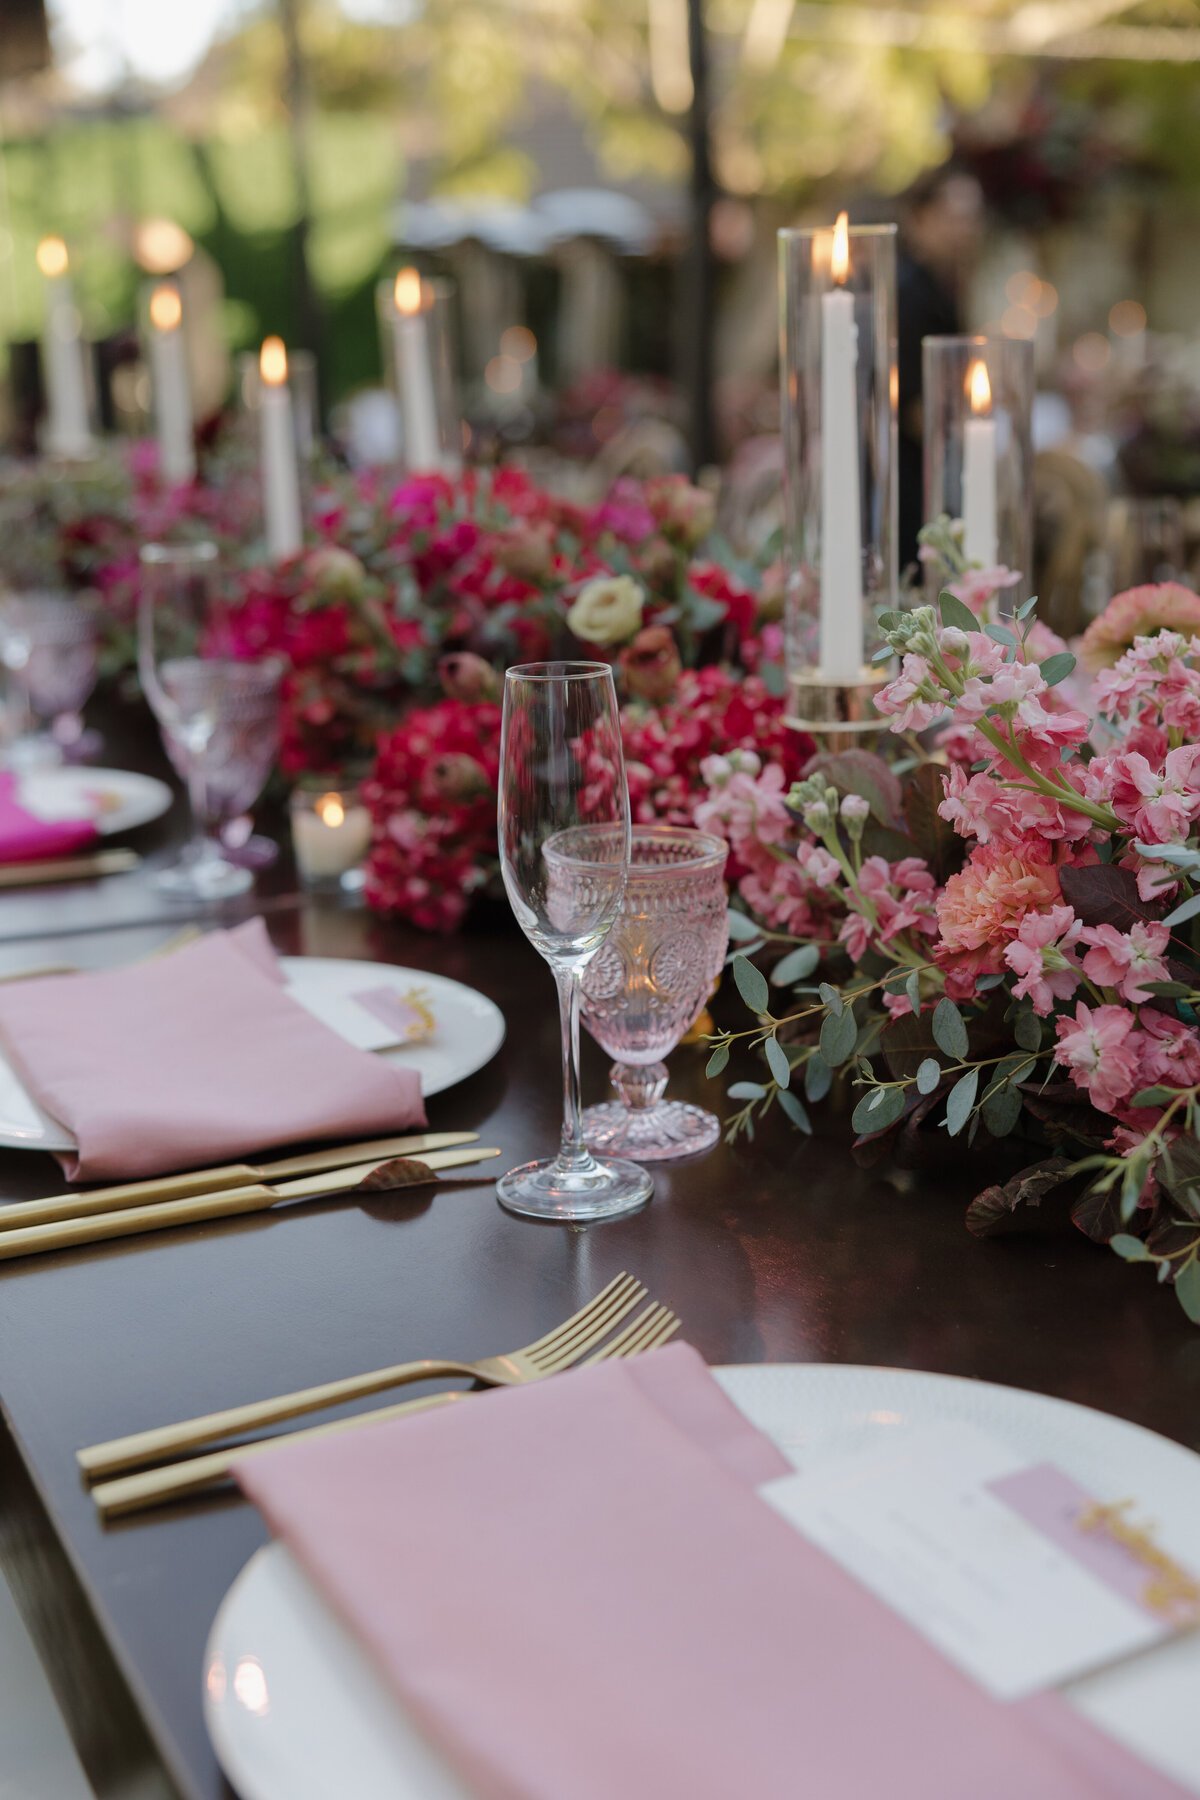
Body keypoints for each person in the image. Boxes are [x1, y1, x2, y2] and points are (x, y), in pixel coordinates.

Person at [897, 165, 985, 574]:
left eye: (971, 217)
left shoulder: (939, 286)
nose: (965, 229)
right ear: (920, 218)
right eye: (954, 216)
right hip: (910, 478)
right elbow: (915, 409)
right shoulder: (910, 293)